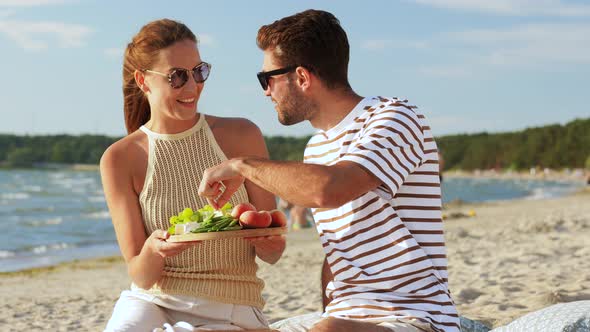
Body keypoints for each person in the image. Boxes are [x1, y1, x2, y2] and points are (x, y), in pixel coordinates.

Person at [198, 9, 460, 332]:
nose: (266, 91)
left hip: (415, 317)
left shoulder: (395, 117)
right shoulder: (315, 149)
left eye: (268, 79)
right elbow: (338, 253)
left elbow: (330, 189)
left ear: (303, 78)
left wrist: (242, 164)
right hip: (346, 317)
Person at [99, 19, 285, 332]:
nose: (192, 86)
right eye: (177, 76)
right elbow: (141, 275)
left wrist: (267, 240)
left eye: (199, 71)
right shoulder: (119, 158)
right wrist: (154, 249)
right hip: (152, 302)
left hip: (232, 308)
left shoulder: (242, 135)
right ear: (143, 81)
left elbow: (273, 252)